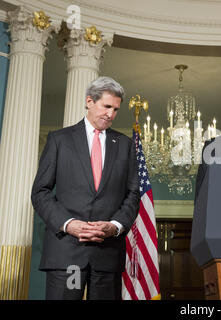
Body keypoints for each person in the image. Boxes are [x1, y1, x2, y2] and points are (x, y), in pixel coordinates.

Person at [31, 76, 140, 300]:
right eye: (107, 106)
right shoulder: (59, 140)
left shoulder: (125, 145)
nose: (111, 114)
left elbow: (133, 194)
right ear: (90, 101)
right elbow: (40, 192)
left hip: (107, 255)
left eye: (116, 109)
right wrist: (69, 224)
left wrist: (115, 225)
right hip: (66, 253)